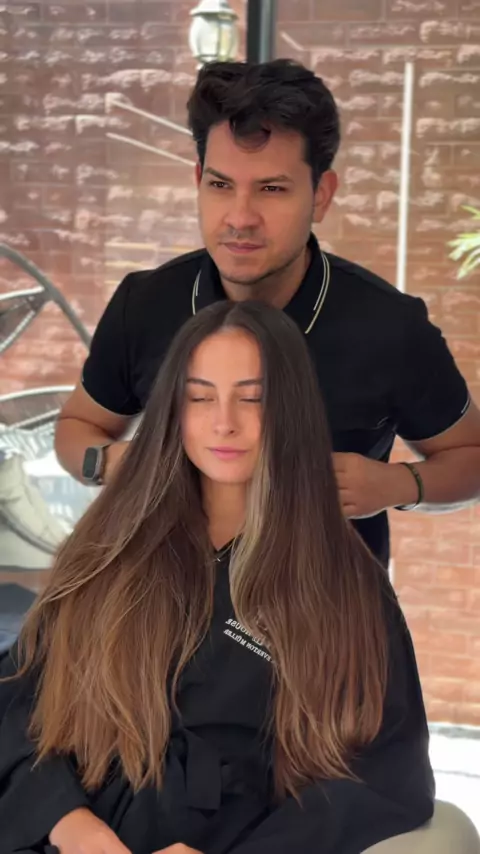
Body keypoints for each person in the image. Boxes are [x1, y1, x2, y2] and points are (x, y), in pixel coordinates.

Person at [0, 301, 434, 854]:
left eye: (252, 398)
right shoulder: (109, 546)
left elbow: (385, 780)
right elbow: (15, 705)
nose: (224, 422)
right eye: (200, 397)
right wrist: (74, 828)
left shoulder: (345, 585)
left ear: (291, 409)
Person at [54, 59, 480, 569]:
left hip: (330, 606)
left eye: (272, 189)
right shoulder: (144, 303)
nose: (240, 217)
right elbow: (78, 425)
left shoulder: (391, 327)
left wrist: (397, 484)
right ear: (198, 180)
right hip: (169, 601)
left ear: (321, 195)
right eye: (220, 185)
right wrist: (109, 463)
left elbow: (471, 458)